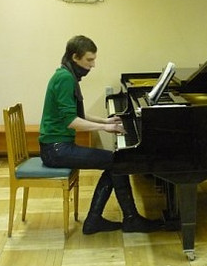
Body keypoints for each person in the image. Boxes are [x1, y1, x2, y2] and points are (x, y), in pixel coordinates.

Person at [39, 35, 164, 234]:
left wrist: (105, 121)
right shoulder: (65, 78)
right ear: (75, 57)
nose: (93, 65)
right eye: (89, 60)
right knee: (117, 162)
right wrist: (104, 128)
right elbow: (72, 122)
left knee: (115, 162)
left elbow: (77, 114)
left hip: (56, 147)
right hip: (56, 150)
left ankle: (98, 220)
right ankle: (126, 219)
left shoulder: (65, 74)